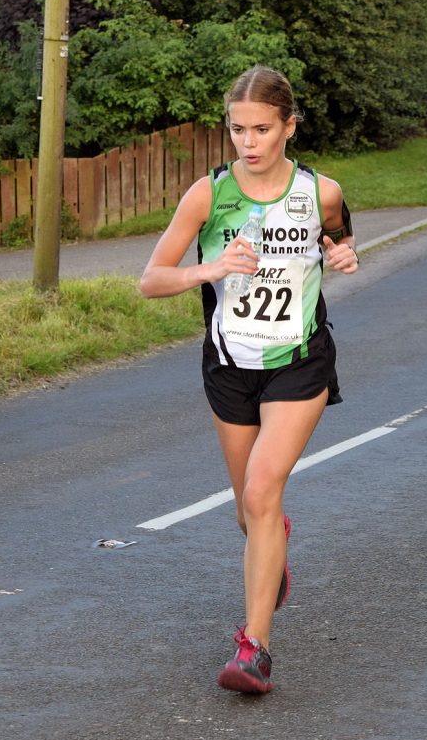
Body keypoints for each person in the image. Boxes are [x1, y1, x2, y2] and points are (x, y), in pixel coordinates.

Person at [140, 65, 359, 694]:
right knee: (248, 511)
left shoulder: (320, 192)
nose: (248, 142)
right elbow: (151, 279)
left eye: (262, 129)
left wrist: (344, 253)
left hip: (300, 361)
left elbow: (340, 238)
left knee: (263, 491)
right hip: (230, 366)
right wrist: (207, 270)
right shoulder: (207, 195)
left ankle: (254, 649)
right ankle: (272, 545)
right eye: (238, 129)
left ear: (290, 126)